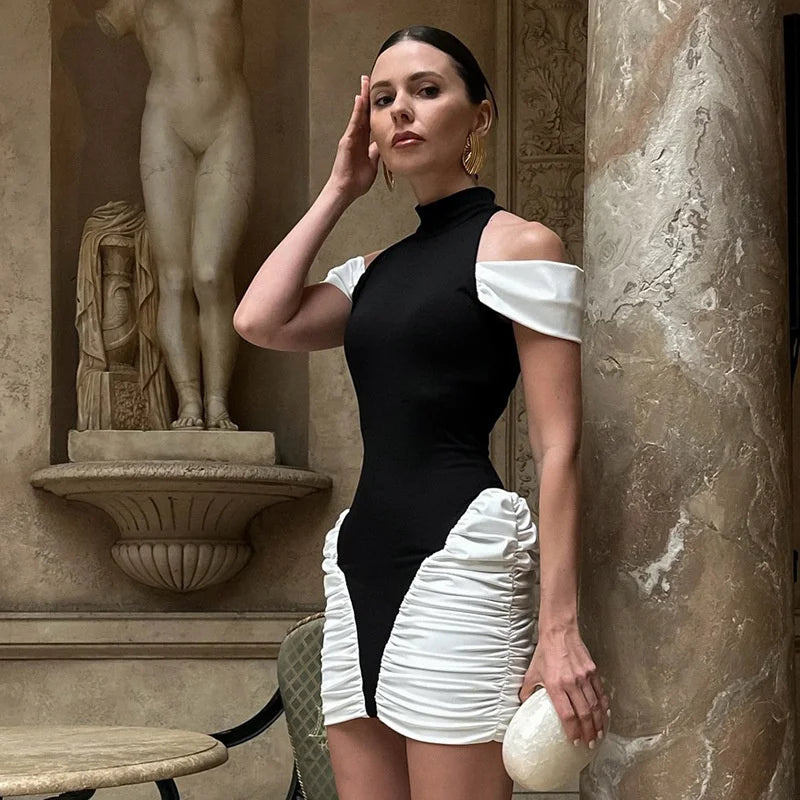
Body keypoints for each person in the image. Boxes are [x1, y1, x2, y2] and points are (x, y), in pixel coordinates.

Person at [234, 24, 610, 800]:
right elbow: (259, 320)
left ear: (480, 116)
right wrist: (340, 188)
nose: (400, 110)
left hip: (460, 564)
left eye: (426, 90)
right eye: (382, 99)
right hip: (358, 567)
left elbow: (559, 447)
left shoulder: (522, 248)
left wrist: (559, 628)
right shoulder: (373, 273)